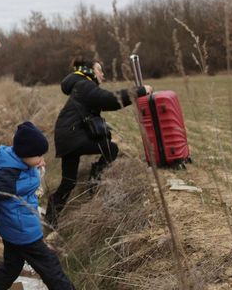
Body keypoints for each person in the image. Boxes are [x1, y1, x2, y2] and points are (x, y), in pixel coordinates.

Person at [0, 122, 90, 290]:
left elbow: (27, 178)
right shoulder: (8, 174)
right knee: (52, 271)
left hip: (15, 229)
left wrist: (38, 168)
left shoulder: (22, 162)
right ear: (24, 153)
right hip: (23, 233)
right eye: (38, 156)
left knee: (12, 266)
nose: (42, 160)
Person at [45, 57, 152, 227]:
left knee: (68, 182)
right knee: (111, 148)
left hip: (67, 136)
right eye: (99, 70)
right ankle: (95, 180)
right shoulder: (85, 86)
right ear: (89, 71)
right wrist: (139, 90)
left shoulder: (80, 85)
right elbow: (110, 99)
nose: (102, 74)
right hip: (72, 137)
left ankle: (51, 220)